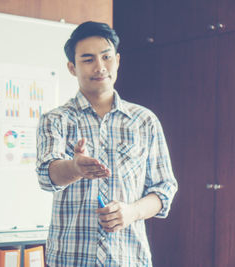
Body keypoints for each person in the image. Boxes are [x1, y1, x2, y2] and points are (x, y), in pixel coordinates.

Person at [36, 21, 178, 267]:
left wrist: (131, 212)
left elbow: (164, 189)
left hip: (129, 258)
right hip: (71, 259)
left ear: (118, 60)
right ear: (72, 67)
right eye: (88, 59)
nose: (100, 67)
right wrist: (75, 168)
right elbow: (47, 176)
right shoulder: (55, 119)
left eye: (106, 57)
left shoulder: (144, 121)